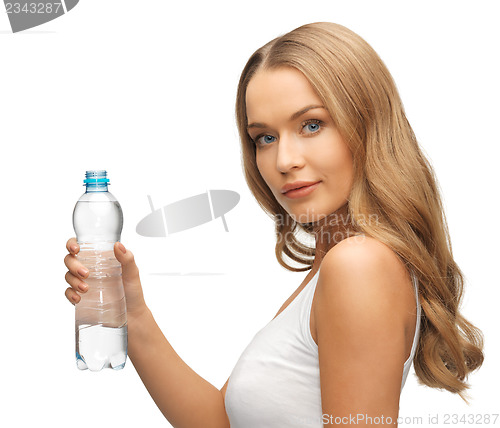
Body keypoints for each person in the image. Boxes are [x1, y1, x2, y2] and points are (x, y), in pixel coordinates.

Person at [63, 22, 484, 427]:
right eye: (264, 137)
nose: (284, 161)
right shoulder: (332, 266)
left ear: (368, 124)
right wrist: (131, 313)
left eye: (312, 125)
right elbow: (222, 424)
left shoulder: (358, 265)